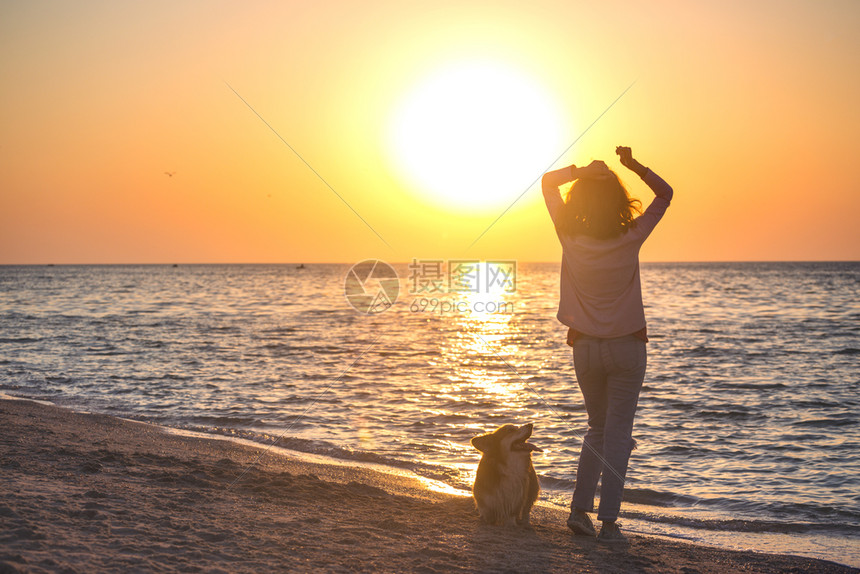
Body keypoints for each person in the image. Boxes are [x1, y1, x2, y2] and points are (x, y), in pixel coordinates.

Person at [541, 146, 673, 543]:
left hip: (586, 350)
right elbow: (665, 195)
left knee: (597, 430)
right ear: (617, 198)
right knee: (617, 434)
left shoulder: (568, 233)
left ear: (579, 198)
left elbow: (547, 183)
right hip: (627, 349)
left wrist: (579, 170)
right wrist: (634, 166)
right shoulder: (631, 235)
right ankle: (610, 522)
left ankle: (580, 513)